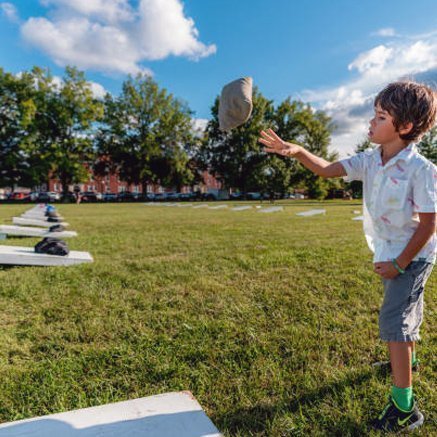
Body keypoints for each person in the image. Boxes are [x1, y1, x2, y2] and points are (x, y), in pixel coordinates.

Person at [258, 81, 437, 433]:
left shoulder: (422, 171)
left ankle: (404, 408)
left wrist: (400, 263)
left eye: (381, 116)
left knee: (394, 322)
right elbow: (327, 170)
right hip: (391, 251)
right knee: (404, 315)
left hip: (413, 256)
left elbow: (430, 225)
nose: (371, 122)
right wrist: (296, 151)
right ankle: (405, 364)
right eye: (373, 114)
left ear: (404, 127)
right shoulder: (370, 160)